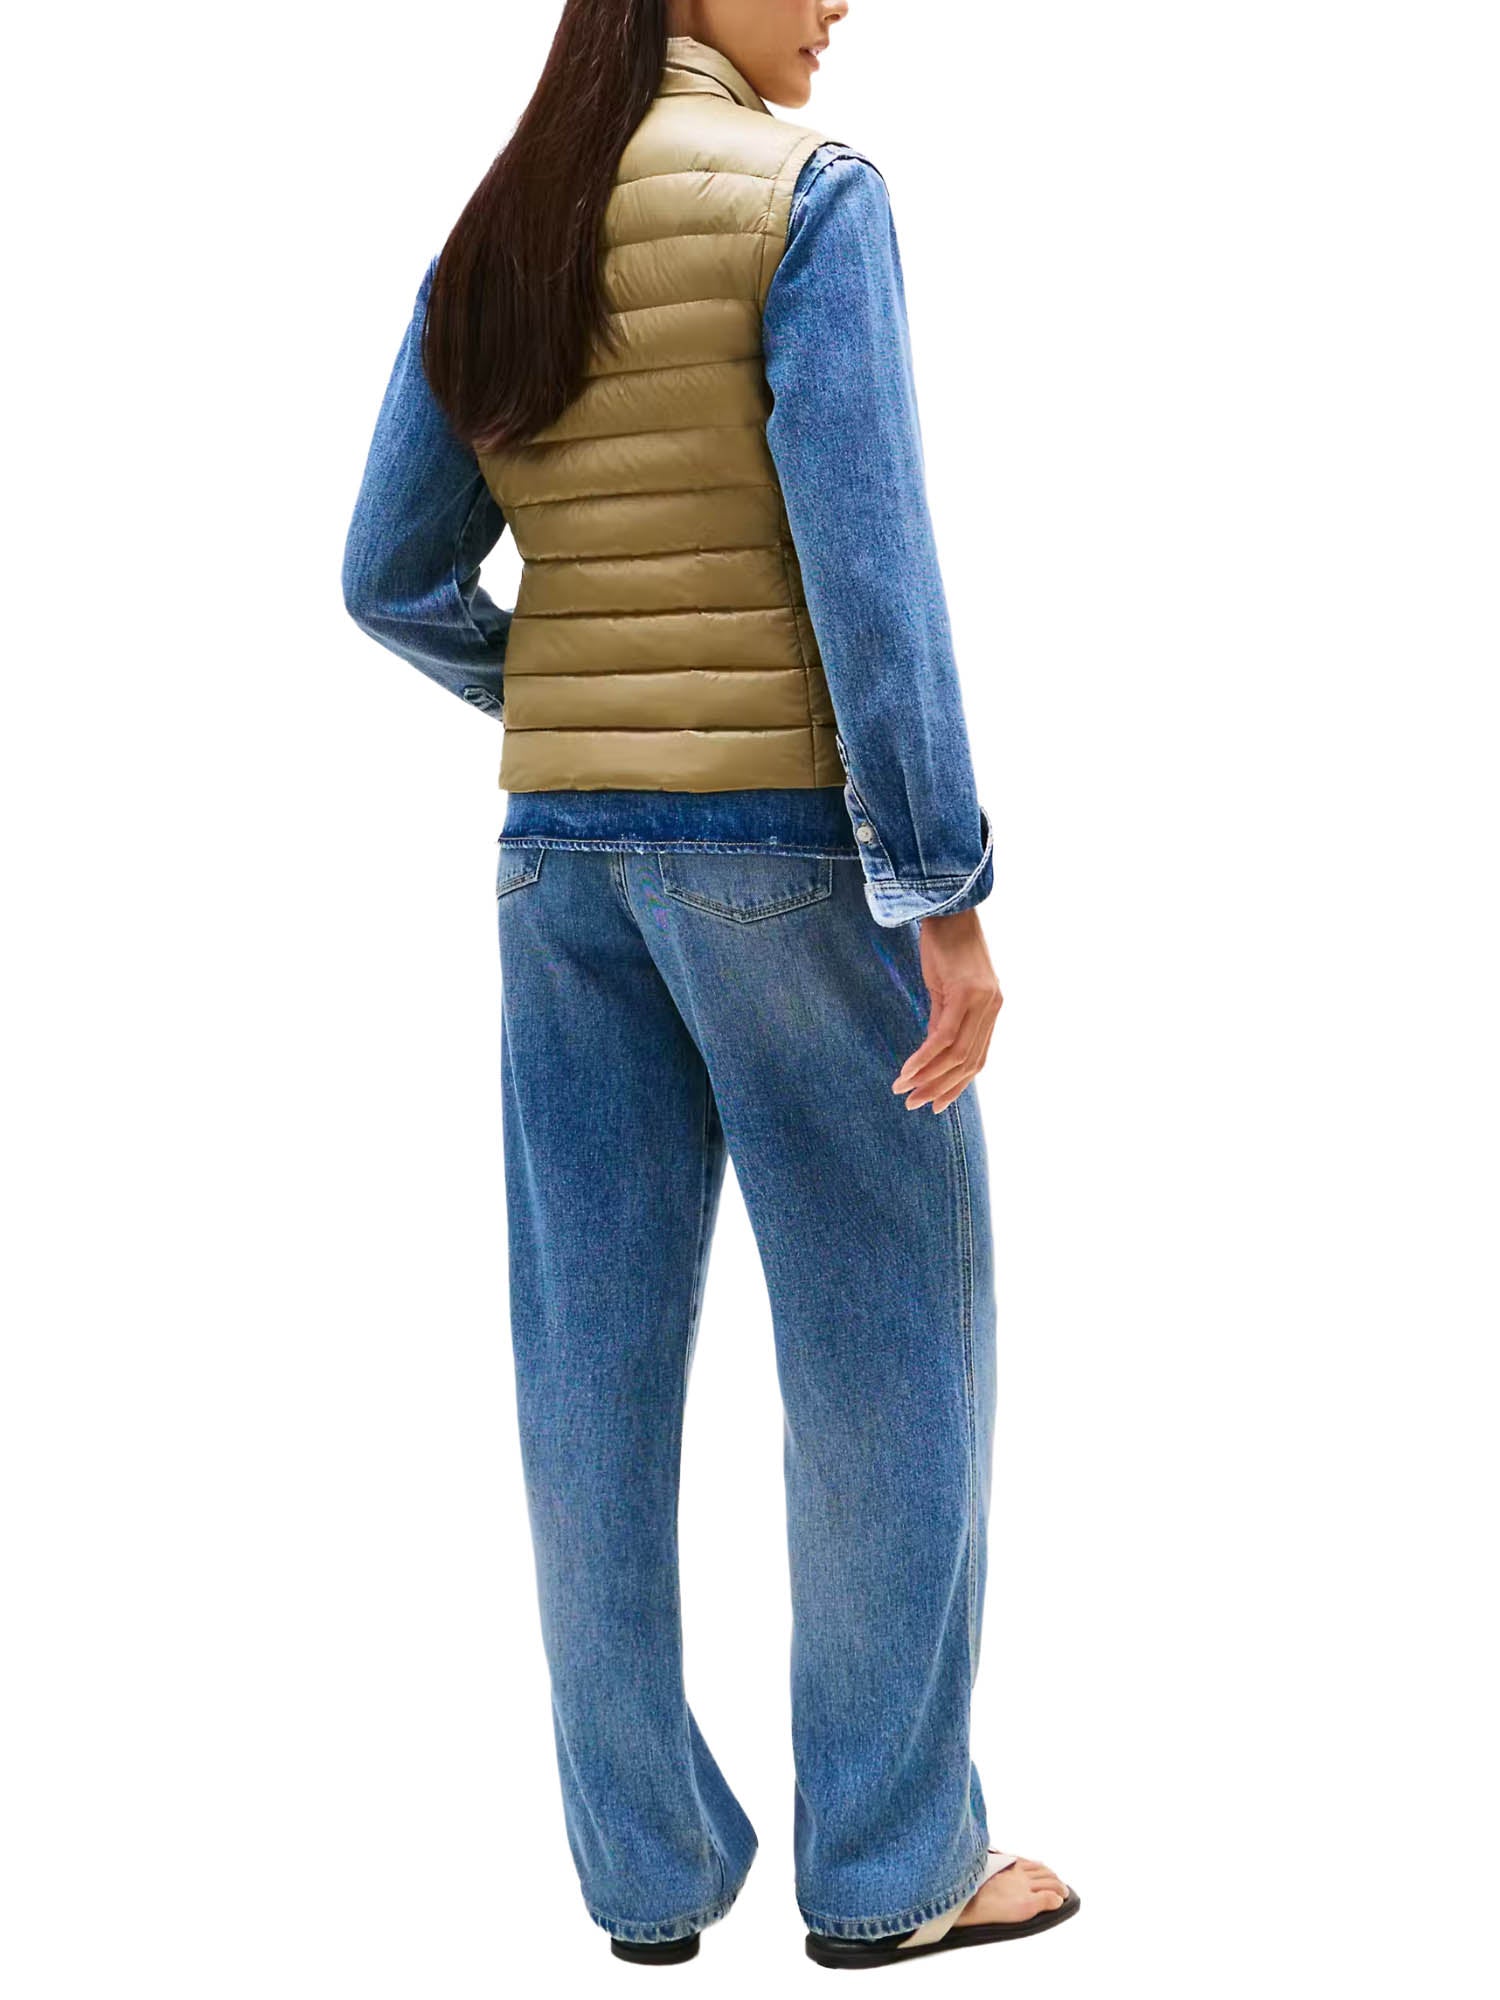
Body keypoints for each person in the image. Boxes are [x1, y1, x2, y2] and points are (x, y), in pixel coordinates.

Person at [342, 0, 1078, 1969]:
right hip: (786, 859)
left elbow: (387, 576)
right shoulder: (808, 201)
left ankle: (646, 1874)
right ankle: (893, 1865)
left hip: (557, 865)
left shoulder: (504, 223)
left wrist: (578, 693)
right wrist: (945, 889)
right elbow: (873, 575)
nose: (843, 2)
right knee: (888, 1340)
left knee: (584, 1359)